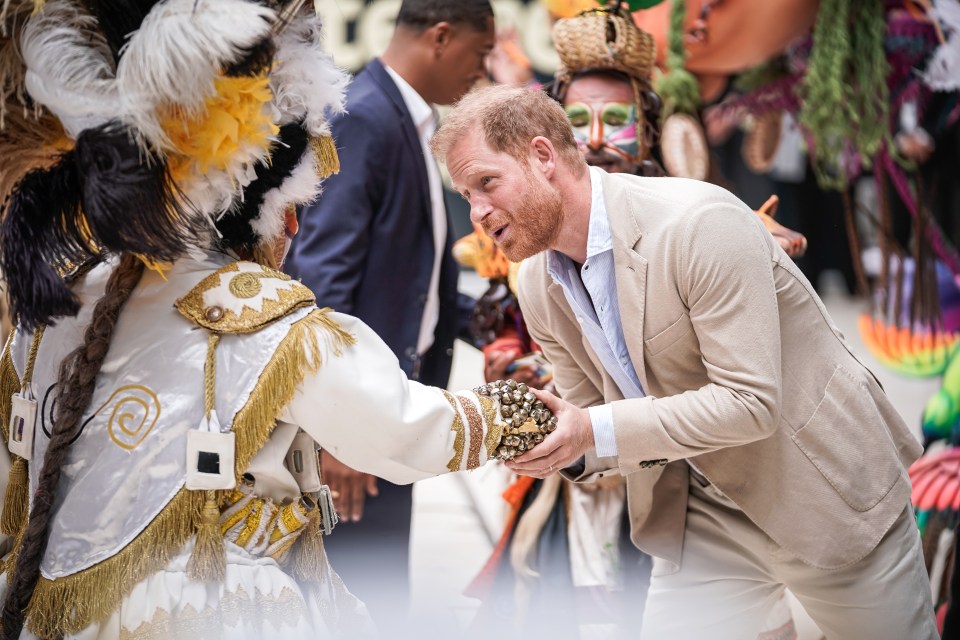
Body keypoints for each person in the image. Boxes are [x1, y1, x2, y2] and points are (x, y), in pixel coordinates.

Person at [0, 4, 533, 639]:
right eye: (292, 204)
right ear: (254, 202)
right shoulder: (265, 319)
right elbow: (399, 428)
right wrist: (525, 414)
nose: (297, 226)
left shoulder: (59, 298)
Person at [432, 83, 937, 640]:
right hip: (699, 518)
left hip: (825, 492)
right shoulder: (536, 281)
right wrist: (554, 446)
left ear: (543, 156)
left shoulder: (700, 222)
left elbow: (749, 404)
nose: (476, 212)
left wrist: (589, 430)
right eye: (465, 196)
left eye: (486, 183)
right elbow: (591, 420)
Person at [283, 0, 495, 623]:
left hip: (387, 410)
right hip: (360, 421)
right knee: (360, 599)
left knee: (381, 596)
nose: (479, 73)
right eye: (479, 55)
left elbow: (407, 271)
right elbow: (323, 277)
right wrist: (340, 431)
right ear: (440, 36)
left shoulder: (400, 115)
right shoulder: (368, 117)